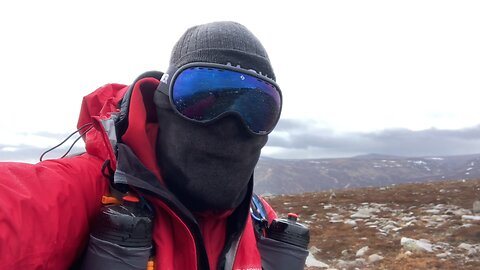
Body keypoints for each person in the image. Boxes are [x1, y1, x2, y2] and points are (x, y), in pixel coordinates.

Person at [0, 21, 295, 269]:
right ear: (162, 102)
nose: (230, 124)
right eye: (201, 96)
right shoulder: (88, 192)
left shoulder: (260, 222)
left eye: (256, 107)